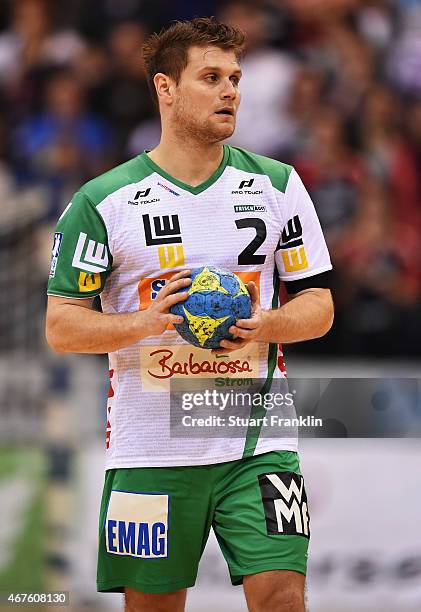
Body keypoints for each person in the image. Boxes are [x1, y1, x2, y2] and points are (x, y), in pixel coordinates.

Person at [45, 17, 333, 612]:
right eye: (211, 77)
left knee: (283, 597)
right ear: (165, 88)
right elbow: (62, 327)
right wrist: (148, 321)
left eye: (235, 77)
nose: (230, 90)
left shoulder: (278, 183)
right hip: (151, 446)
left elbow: (319, 308)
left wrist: (268, 322)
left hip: (260, 439)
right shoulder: (102, 201)